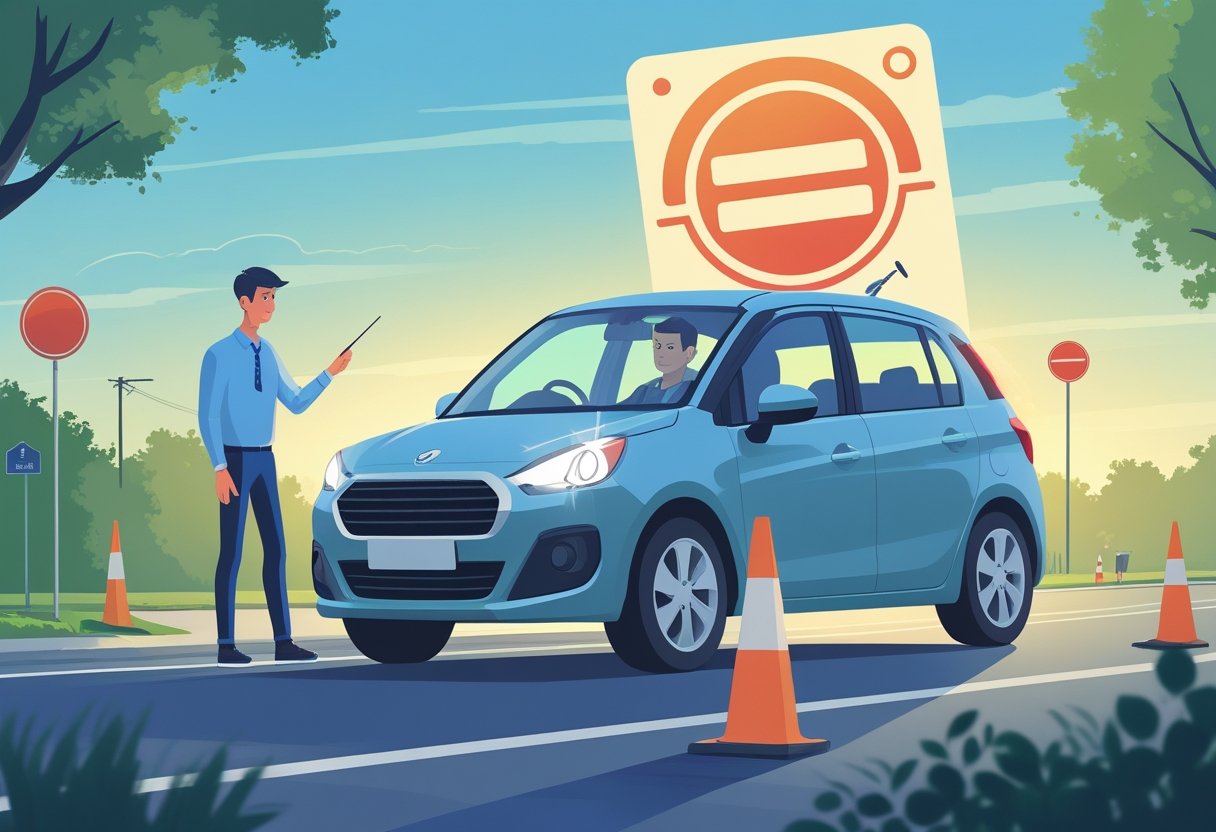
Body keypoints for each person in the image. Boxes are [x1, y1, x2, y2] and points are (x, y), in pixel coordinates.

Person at [198, 267, 352, 667]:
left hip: (266, 459)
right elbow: (209, 415)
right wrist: (218, 466)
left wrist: (329, 374)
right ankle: (226, 644)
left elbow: (296, 402)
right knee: (231, 552)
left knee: (276, 549)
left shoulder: (269, 353)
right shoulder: (218, 354)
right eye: (265, 296)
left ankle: (283, 640)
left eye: (274, 297)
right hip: (233, 459)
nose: (271, 304)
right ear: (244, 301)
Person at [623, 316, 698, 405]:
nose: (661, 354)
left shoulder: (700, 384)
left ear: (689, 353)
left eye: (670, 347)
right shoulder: (644, 391)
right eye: (657, 346)